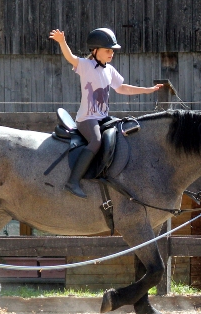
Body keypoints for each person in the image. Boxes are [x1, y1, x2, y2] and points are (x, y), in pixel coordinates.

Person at [49, 27, 163, 198]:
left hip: (102, 118)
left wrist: (147, 90)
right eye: (108, 50)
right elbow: (71, 58)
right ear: (95, 51)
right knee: (96, 140)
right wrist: (62, 41)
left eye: (112, 50)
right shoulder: (86, 66)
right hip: (87, 119)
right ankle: (72, 181)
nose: (112, 53)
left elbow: (122, 88)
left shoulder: (109, 70)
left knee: (120, 134)